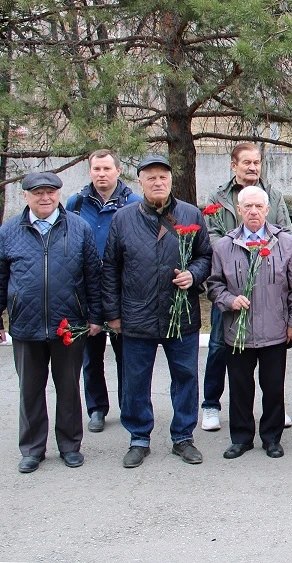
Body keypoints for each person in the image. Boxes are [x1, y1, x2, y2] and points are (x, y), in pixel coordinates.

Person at [102, 154, 212, 468]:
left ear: (171, 180)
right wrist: (113, 314)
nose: (157, 182)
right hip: (137, 315)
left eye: (163, 176)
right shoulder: (123, 219)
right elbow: (111, 268)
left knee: (186, 377)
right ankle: (138, 437)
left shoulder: (190, 213)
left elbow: (205, 256)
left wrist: (193, 274)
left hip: (181, 315)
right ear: (140, 182)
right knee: (135, 380)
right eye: (150, 177)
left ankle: (183, 437)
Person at [1, 172, 103, 473]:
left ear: (59, 194)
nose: (45, 198)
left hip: (68, 325)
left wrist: (95, 316)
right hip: (25, 325)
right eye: (38, 193)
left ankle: (70, 445)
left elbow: (92, 277)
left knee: (68, 387)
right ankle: (32, 448)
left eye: (50, 192)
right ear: (25, 197)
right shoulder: (9, 231)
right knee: (30, 390)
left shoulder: (78, 227)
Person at [207, 186, 292, 460]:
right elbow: (214, 286)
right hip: (238, 332)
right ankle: (241, 438)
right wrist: (229, 300)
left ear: (267, 210)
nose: (253, 211)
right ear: (239, 211)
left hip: (275, 330)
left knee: (273, 387)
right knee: (240, 387)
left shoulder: (284, 243)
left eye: (258, 207)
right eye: (247, 207)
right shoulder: (225, 246)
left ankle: (272, 438)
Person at [200, 143, 292, 433]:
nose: (252, 167)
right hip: (232, 283)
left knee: (272, 362)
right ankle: (211, 405)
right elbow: (211, 235)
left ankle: (275, 415)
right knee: (219, 347)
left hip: (267, 282)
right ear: (233, 165)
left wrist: (263, 254)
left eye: (256, 162)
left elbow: (285, 233)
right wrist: (236, 251)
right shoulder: (219, 197)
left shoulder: (273, 196)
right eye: (246, 163)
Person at [65, 149, 142, 433]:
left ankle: (128, 406)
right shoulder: (76, 203)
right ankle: (97, 407)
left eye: (107, 168)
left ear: (118, 171)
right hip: (87, 289)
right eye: (96, 169)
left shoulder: (134, 203)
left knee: (127, 353)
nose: (101, 174)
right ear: (90, 172)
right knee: (91, 354)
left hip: (123, 288)